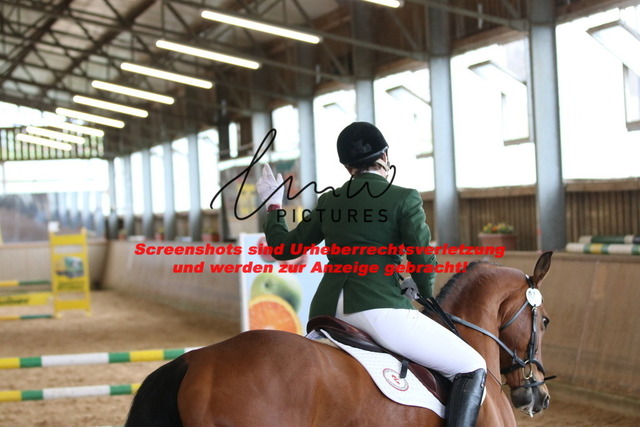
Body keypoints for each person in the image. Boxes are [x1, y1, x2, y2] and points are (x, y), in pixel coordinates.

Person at [257, 122, 486, 427]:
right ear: (385, 156)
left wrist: (274, 205)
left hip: (326, 310)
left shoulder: (329, 201)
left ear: (347, 166)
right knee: (472, 365)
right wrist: (422, 287)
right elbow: (421, 259)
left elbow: (284, 248)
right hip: (377, 308)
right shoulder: (404, 198)